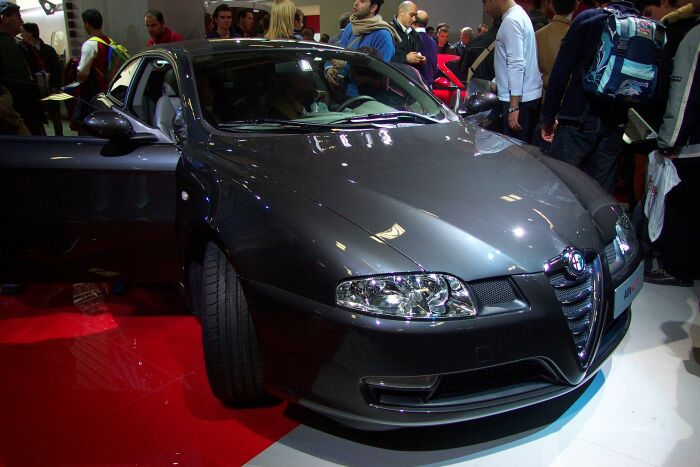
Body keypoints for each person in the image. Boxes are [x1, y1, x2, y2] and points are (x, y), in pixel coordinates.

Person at [540, 0, 639, 193]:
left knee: (560, 187)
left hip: (578, 117)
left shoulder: (589, 19)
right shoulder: (640, 25)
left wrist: (548, 116)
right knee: (599, 193)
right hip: (615, 121)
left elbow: (560, 72)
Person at [643, 0, 699, 286]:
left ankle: (677, 267)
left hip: (690, 146)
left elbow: (684, 94)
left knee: (682, 209)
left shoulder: (694, 37)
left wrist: (669, 141)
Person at [488, 0, 542, 143]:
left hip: (518, 101)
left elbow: (516, 63)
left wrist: (513, 107)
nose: (486, 9)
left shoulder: (511, 21)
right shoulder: (520, 15)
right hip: (525, 96)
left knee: (515, 154)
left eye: (486, 2)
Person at [19, 22, 63, 135]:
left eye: (23, 31)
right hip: (35, 89)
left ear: (30, 33)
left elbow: (57, 70)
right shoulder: (23, 50)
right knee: (38, 116)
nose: (21, 34)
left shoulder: (48, 50)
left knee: (55, 114)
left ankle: (59, 137)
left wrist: (55, 87)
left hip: (50, 87)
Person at [0, 1, 36, 135]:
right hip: (15, 114)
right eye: (18, 16)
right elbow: (18, 79)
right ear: (4, 19)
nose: (21, 21)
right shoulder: (5, 43)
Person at [328, 0, 398, 66]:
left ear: (373, 8)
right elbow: (338, 52)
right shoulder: (350, 26)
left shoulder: (383, 35)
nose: (356, 3)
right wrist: (329, 67)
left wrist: (346, 65)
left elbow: (380, 70)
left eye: (362, 1)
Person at [536, 0, 576, 91]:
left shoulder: (537, 35)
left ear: (551, 6)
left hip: (542, 96)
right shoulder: (578, 35)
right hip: (568, 97)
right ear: (576, 5)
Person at [390, 1, 425, 68]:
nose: (414, 19)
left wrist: (419, 60)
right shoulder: (389, 30)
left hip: (408, 76)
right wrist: (405, 58)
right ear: (401, 12)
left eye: (415, 16)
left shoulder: (415, 35)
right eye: (411, 15)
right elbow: (382, 59)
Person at [414, 9, 438, 87]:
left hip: (415, 86)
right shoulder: (433, 42)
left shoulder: (412, 38)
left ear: (413, 20)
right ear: (426, 24)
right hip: (429, 87)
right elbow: (434, 68)